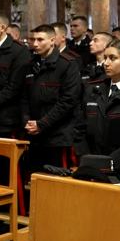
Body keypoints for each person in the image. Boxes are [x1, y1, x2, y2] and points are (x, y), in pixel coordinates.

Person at [75, 40, 120, 172]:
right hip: (91, 165)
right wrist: (87, 159)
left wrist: (111, 162)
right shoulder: (92, 88)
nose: (106, 63)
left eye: (112, 58)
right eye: (105, 58)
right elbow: (80, 128)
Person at [21, 24, 81, 172]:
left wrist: (42, 124)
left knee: (55, 183)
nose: (35, 44)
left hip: (57, 135)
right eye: (33, 39)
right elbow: (24, 97)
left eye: (40, 39)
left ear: (52, 40)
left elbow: (68, 101)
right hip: (33, 134)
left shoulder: (67, 64)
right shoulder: (30, 65)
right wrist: (27, 121)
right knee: (33, 180)